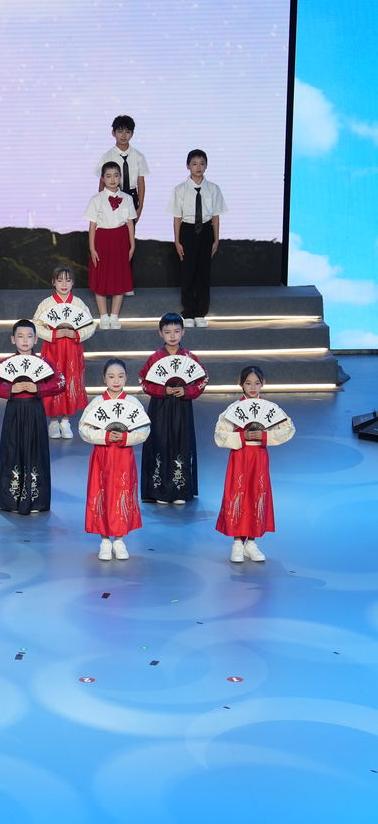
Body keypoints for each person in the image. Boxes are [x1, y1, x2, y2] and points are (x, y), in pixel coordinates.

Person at [0, 320, 66, 514]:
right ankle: (11, 501)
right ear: (13, 339)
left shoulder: (44, 363)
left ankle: (37, 501)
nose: (25, 340)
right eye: (20, 336)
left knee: (36, 451)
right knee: (12, 451)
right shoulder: (5, 364)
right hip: (14, 410)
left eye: (29, 336)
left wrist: (38, 388)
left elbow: (61, 382)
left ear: (36, 339)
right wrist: (10, 389)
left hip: (35, 410)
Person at [215, 366, 295, 563]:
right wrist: (243, 436)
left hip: (259, 456)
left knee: (257, 494)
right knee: (237, 495)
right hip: (240, 455)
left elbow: (288, 429)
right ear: (240, 384)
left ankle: (251, 542)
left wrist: (265, 435)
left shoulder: (271, 409)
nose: (252, 387)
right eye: (248, 383)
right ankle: (237, 542)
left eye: (257, 383)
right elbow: (220, 435)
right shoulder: (233, 409)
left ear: (263, 384)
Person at [79, 359, 149, 561]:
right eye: (111, 376)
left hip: (124, 457)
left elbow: (144, 429)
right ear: (104, 379)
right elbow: (84, 429)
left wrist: (126, 437)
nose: (116, 380)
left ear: (126, 378)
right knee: (102, 493)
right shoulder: (97, 403)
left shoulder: (133, 403)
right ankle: (104, 540)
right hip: (102, 456)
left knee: (122, 494)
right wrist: (106, 436)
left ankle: (119, 539)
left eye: (120, 376)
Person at [139, 313, 207, 504]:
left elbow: (203, 380)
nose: (172, 335)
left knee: (181, 443)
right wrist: (162, 390)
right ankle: (159, 490)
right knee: (159, 443)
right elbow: (143, 381)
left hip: (182, 407)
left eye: (176, 331)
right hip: (159, 407)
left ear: (183, 332)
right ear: (160, 333)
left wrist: (186, 391)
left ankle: (180, 490)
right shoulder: (155, 358)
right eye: (168, 332)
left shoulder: (189, 357)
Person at [33, 265, 96, 438]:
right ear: (53, 282)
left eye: (68, 281)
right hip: (52, 347)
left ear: (73, 283)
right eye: (60, 280)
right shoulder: (46, 304)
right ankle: (53, 421)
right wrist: (53, 334)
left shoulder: (78, 303)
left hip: (72, 348)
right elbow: (36, 325)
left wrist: (76, 334)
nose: (64, 284)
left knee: (71, 380)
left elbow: (90, 325)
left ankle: (66, 420)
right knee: (52, 380)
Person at [168, 149, 227, 327]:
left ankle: (201, 312)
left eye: (202, 163)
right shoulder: (180, 189)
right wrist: (177, 241)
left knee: (203, 273)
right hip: (187, 230)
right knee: (188, 272)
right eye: (194, 164)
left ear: (206, 166)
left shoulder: (213, 189)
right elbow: (177, 218)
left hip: (206, 230)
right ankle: (188, 312)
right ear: (188, 166)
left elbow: (215, 217)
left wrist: (216, 239)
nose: (198, 167)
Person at [85, 161, 137, 329]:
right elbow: (92, 225)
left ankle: (114, 316)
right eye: (108, 176)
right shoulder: (96, 199)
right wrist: (92, 248)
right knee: (101, 277)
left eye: (116, 175)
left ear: (120, 177)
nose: (112, 179)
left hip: (121, 239)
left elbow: (130, 223)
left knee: (119, 277)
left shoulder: (127, 198)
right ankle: (103, 316)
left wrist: (132, 244)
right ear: (102, 178)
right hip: (102, 239)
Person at [95, 115, 149, 223]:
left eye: (127, 132)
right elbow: (101, 183)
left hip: (132, 196)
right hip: (112, 195)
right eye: (120, 131)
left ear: (132, 134)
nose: (124, 135)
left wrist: (140, 207)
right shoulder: (107, 156)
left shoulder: (139, 156)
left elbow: (141, 183)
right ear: (113, 133)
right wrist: (102, 203)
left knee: (130, 229)